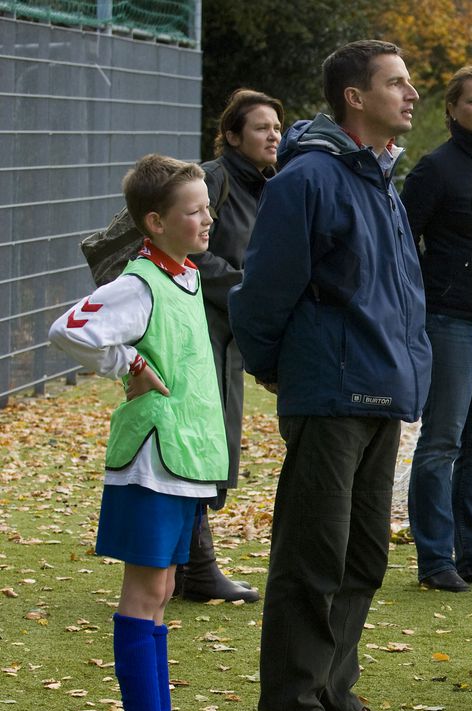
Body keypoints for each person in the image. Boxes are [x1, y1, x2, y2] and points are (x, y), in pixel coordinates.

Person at [229, 40, 431, 711]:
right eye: (396, 82)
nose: (411, 94)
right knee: (312, 556)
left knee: (362, 556)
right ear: (355, 96)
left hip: (381, 392)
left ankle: (331, 693)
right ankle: (289, 709)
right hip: (330, 394)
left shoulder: (380, 179)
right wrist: (276, 368)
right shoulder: (308, 178)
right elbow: (262, 290)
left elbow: (400, 295)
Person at [48, 154, 233, 711]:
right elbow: (67, 330)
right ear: (155, 222)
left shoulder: (186, 276)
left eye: (207, 208)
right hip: (150, 462)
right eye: (194, 211)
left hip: (184, 460)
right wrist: (126, 363)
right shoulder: (139, 283)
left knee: (165, 590)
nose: (207, 219)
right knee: (146, 590)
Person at [176, 88, 284, 605]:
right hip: (196, 331)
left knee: (211, 443)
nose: (273, 136)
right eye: (261, 127)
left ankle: (185, 565)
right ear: (233, 136)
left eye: (277, 127)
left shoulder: (269, 187)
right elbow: (188, 250)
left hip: (226, 334)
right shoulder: (211, 180)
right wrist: (247, 289)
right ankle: (196, 569)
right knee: (199, 442)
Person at [401, 65, 472, 593]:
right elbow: (402, 240)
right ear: (452, 109)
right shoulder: (435, 168)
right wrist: (429, 291)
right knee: (442, 439)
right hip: (449, 320)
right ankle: (436, 557)